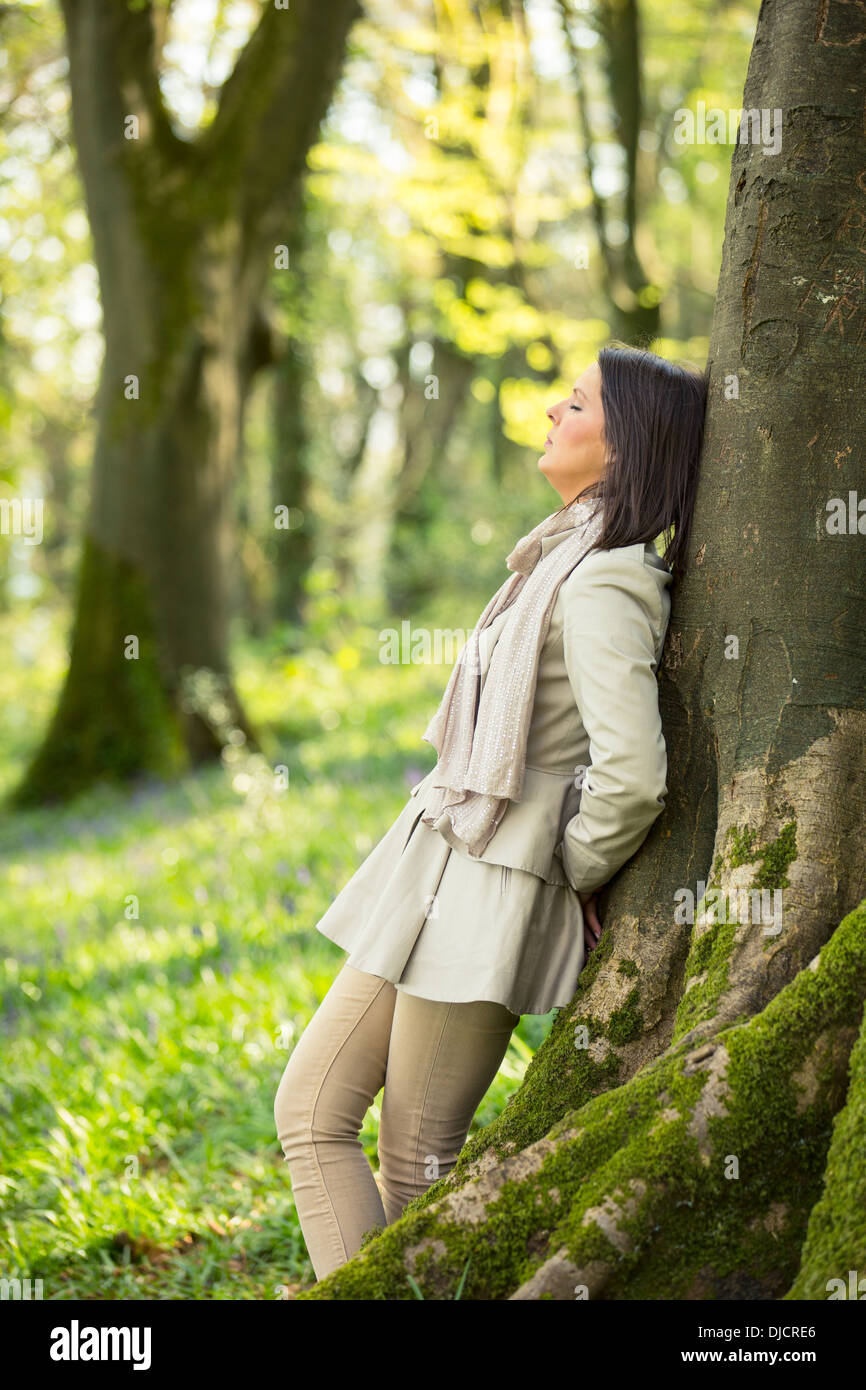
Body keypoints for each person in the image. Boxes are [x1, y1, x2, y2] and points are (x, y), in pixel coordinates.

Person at [274, 343, 708, 1282]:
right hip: (433, 861)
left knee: (418, 1163)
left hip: (493, 887)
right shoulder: (554, 557)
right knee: (310, 1111)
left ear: (626, 449)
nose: (556, 409)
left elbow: (632, 775)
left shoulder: (606, 580)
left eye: (581, 403)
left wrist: (563, 870)